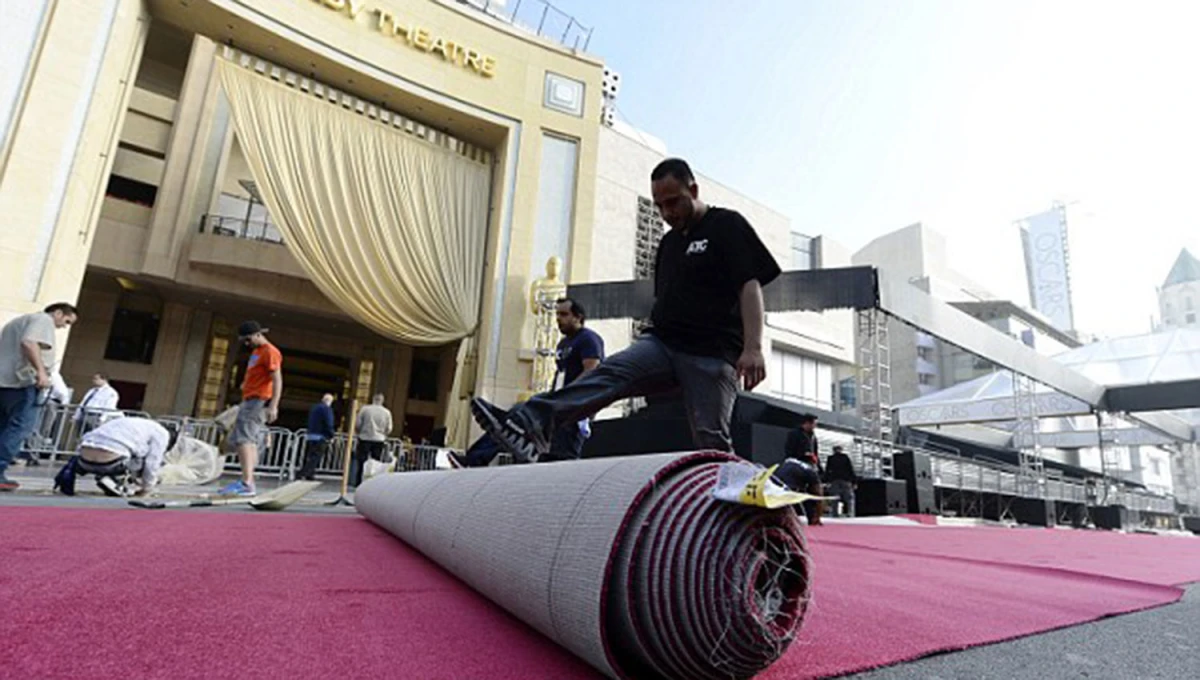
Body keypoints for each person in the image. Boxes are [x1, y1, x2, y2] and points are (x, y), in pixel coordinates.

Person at [471, 158, 780, 462]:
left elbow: (749, 286)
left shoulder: (727, 224)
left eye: (674, 202)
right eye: (660, 206)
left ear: (694, 190)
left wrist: (753, 348)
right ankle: (530, 424)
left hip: (710, 354)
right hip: (663, 344)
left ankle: (731, 497)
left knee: (710, 437)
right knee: (609, 375)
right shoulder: (669, 244)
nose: (667, 213)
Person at [0, 302, 78, 491]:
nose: (63, 327)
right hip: (22, 382)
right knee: (21, 426)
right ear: (58, 313)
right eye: (66, 321)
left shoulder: (18, 321)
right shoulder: (43, 320)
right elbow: (29, 342)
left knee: (3, 425)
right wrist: (41, 372)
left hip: (4, 382)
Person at [219, 321, 283, 497]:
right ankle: (248, 480)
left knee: (243, 439)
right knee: (249, 439)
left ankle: (247, 483)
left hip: (257, 400)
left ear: (257, 334)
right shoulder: (257, 352)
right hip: (251, 399)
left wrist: (274, 405)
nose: (247, 344)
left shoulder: (270, 352)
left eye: (248, 340)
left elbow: (277, 379)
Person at [54, 416, 178, 497]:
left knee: (130, 449)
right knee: (141, 457)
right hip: (110, 463)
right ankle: (114, 479)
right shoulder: (162, 434)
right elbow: (152, 462)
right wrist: (147, 487)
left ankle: (71, 475)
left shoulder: (127, 422)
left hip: (83, 460)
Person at [785, 414, 824, 525]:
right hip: (797, 466)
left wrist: (819, 467)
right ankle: (791, 517)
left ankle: (814, 518)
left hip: (811, 467)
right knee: (796, 492)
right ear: (807, 423)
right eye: (813, 424)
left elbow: (815, 453)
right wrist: (803, 455)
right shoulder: (794, 434)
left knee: (815, 492)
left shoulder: (813, 437)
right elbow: (789, 451)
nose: (815, 426)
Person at [352, 393, 393, 486]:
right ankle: (372, 482)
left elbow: (358, 423)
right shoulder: (387, 412)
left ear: (373, 399)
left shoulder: (365, 409)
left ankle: (358, 481)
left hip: (364, 437)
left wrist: (359, 432)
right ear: (382, 400)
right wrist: (384, 434)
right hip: (379, 439)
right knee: (376, 462)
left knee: (361, 461)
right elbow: (389, 428)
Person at [298, 393, 335, 481]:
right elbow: (328, 423)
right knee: (316, 457)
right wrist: (331, 434)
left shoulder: (314, 408)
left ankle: (310, 474)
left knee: (310, 455)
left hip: (311, 435)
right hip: (321, 436)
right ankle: (303, 473)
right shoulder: (327, 409)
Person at [824, 445, 857, 518]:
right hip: (845, 480)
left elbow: (827, 470)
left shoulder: (831, 458)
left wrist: (826, 481)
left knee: (835, 498)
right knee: (849, 498)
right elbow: (850, 469)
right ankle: (850, 513)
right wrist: (854, 482)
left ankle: (835, 513)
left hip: (834, 480)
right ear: (841, 450)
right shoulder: (845, 457)